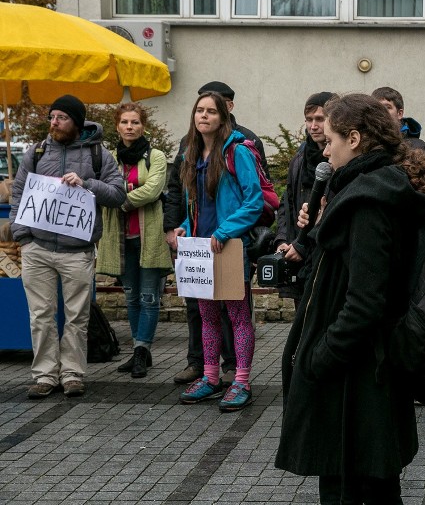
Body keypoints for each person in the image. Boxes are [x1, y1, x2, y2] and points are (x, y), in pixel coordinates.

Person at [275, 93, 425, 504]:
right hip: (370, 366)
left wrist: (321, 356)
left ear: (354, 138)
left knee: (352, 488)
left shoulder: (369, 201)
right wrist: (320, 229)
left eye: (332, 139)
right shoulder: (376, 188)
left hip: (358, 374)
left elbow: (365, 301)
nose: (325, 149)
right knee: (375, 485)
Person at [10, 95, 125, 399]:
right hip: (38, 248)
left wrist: (87, 183)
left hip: (77, 250)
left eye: (61, 117)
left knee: (77, 316)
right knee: (41, 314)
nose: (54, 123)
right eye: (51, 117)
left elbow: (117, 194)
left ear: (77, 121)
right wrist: (23, 236)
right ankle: (45, 375)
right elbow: (18, 195)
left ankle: (72, 373)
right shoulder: (37, 152)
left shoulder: (99, 154)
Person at [165, 81, 269, 386]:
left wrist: (224, 232)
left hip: (229, 246)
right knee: (207, 316)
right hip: (199, 246)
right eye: (199, 110)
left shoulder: (238, 151)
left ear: (223, 117)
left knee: (237, 317)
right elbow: (192, 200)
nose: (204, 116)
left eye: (211, 111)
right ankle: (210, 377)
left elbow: (254, 201)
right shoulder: (190, 153)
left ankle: (241, 381)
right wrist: (185, 223)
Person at [97, 103, 173, 378]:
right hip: (120, 239)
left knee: (149, 297)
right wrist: (123, 192)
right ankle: (138, 350)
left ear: (143, 126)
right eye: (125, 122)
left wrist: (121, 198)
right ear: (117, 126)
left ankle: (142, 351)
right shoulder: (108, 158)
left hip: (149, 236)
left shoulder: (156, 156)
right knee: (131, 297)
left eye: (135, 122)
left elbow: (152, 190)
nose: (130, 127)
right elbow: (101, 188)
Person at [273, 92, 333, 306]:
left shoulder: (341, 160)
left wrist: (303, 245)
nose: (313, 126)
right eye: (309, 120)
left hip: (325, 258)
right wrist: (282, 240)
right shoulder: (299, 159)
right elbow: (286, 205)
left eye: (320, 119)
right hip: (298, 259)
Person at [371, 86, 425, 151]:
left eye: (387, 107)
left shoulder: (419, 148)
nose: (382, 111)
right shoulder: (364, 145)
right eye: (377, 107)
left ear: (399, 114)